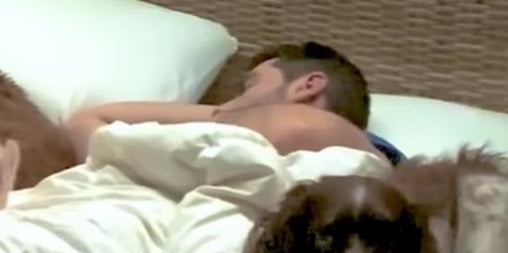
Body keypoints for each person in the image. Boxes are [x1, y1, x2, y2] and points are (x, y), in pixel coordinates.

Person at [65, 42, 396, 163]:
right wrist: (225, 112)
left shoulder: (353, 150)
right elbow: (87, 119)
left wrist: (226, 113)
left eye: (250, 86)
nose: (235, 100)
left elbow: (91, 123)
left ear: (308, 86)